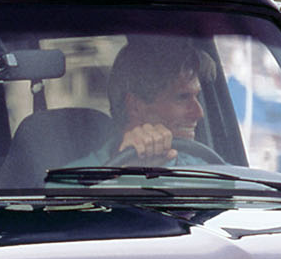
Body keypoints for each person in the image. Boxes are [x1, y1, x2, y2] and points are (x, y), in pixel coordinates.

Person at [73, 36, 222, 166]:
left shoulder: (207, 171)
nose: (199, 113)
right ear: (135, 107)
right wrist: (124, 176)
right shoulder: (73, 182)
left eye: (196, 96)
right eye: (182, 97)